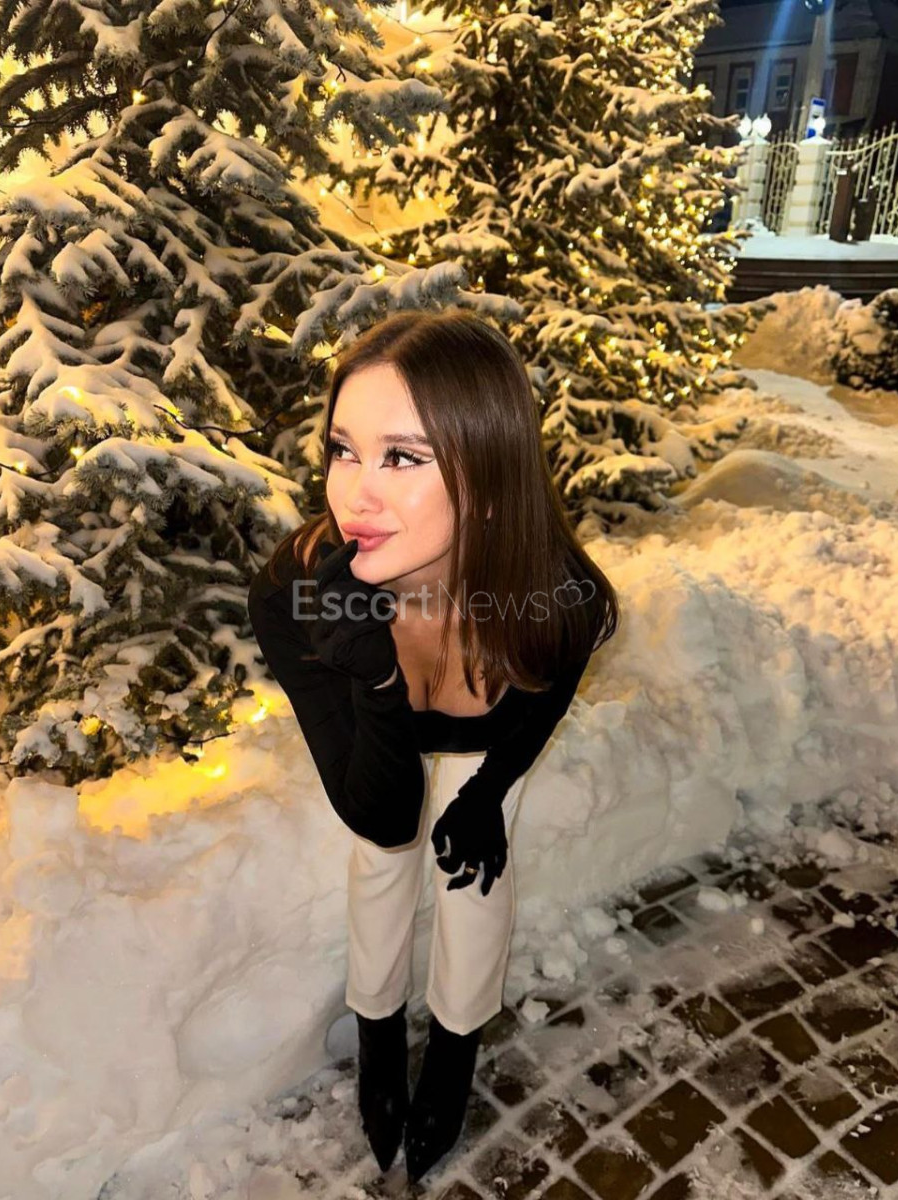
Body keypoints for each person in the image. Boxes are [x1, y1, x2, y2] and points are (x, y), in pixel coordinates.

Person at [246, 307, 619, 1184]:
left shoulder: (558, 595)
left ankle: (455, 1050)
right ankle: (379, 1037)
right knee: (382, 866)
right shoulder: (299, 595)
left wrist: (487, 793)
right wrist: (375, 677)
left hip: (486, 741)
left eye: (403, 458)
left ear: (486, 476)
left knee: (475, 876)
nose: (354, 496)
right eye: (344, 450)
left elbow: (541, 701)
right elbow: (378, 815)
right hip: (381, 748)